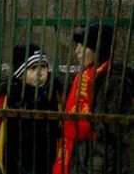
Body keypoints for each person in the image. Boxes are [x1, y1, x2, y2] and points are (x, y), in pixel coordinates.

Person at [53, 22, 134, 174]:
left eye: (82, 46)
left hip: (103, 163)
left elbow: (121, 134)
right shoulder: (88, 76)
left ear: (98, 49)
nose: (76, 51)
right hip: (86, 158)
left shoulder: (114, 82)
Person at [0, 44, 62, 174]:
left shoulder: (56, 93)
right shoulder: (8, 96)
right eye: (33, 68)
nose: (40, 72)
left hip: (49, 158)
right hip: (15, 159)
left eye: (43, 67)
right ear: (20, 74)